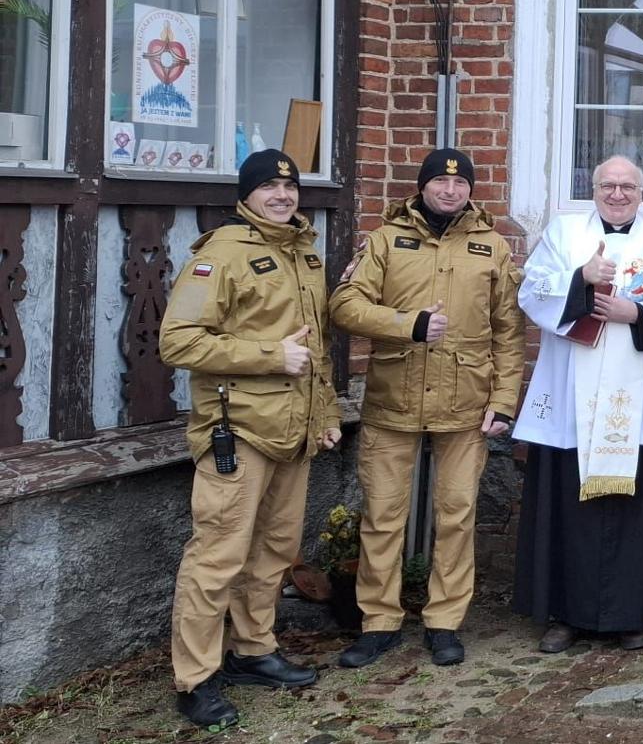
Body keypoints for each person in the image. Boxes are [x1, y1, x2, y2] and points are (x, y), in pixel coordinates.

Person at [159, 149, 340, 728]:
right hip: (238, 431)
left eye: (289, 189)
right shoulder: (221, 255)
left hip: (295, 430)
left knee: (273, 553)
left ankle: (253, 650)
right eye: (269, 189)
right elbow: (179, 342)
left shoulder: (303, 251)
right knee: (217, 556)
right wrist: (268, 355)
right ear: (248, 195)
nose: (282, 197)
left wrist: (326, 411)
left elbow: (315, 351)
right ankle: (195, 677)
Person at [328, 148, 526, 668]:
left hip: (467, 403)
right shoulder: (386, 240)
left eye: (460, 184)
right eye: (440, 181)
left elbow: (509, 333)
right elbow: (344, 305)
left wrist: (505, 401)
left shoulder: (492, 247)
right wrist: (406, 324)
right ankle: (378, 621)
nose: (450, 190)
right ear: (422, 186)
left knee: (457, 515)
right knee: (383, 516)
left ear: (470, 191)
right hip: (393, 398)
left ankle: (444, 621)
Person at [511, 156, 643, 653]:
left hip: (639, 401)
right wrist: (581, 280)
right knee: (567, 505)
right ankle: (565, 615)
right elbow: (531, 290)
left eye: (628, 186)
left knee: (637, 509)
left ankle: (631, 614)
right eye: (608, 185)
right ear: (593, 189)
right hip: (574, 400)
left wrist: (635, 313)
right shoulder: (564, 231)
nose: (617, 194)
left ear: (642, 190)